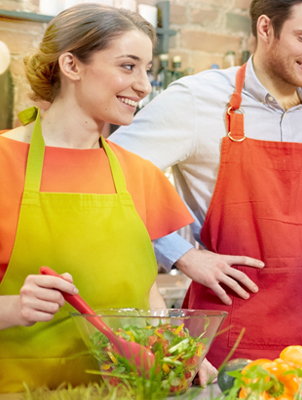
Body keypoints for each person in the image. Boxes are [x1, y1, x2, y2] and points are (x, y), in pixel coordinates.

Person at [110, 0, 302, 366]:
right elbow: (110, 171)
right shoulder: (196, 99)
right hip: (224, 336)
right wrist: (183, 256)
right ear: (266, 29)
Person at [0, 4, 195, 391]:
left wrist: (176, 356)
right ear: (71, 65)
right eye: (128, 66)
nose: (143, 85)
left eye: (147, 70)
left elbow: (149, 295)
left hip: (128, 392)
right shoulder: (3, 163)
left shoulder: (140, 174)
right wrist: (12, 308)